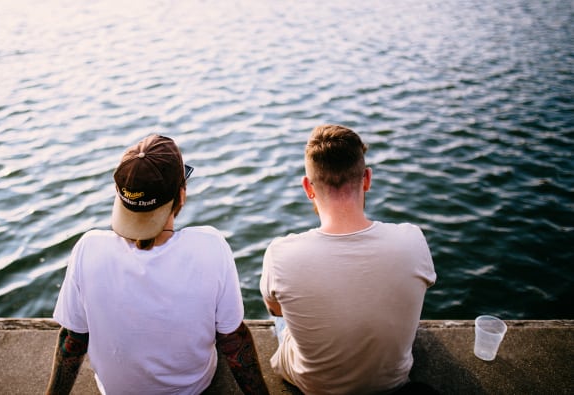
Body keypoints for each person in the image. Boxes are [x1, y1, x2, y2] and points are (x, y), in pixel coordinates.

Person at [46, 134, 269, 395]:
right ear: (181, 195)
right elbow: (232, 339)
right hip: (195, 389)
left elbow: (73, 338)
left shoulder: (88, 248)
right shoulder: (211, 246)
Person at [260, 125, 437, 394]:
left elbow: (276, 309)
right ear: (367, 179)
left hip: (313, 386)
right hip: (393, 381)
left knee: (280, 313)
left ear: (308, 187)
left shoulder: (280, 253)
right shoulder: (412, 239)